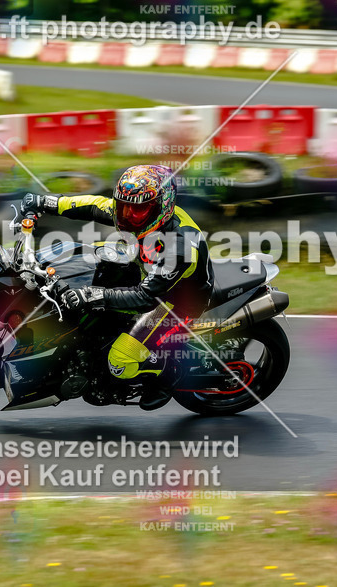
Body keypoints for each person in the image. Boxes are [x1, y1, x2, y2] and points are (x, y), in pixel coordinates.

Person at [20, 164, 213, 410]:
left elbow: (146, 297)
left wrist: (93, 295)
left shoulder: (180, 248)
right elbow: (92, 204)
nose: (129, 215)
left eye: (139, 209)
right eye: (124, 206)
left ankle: (168, 372)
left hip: (176, 299)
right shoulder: (135, 210)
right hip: (145, 267)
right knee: (81, 263)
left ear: (161, 207)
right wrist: (44, 202)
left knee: (119, 360)